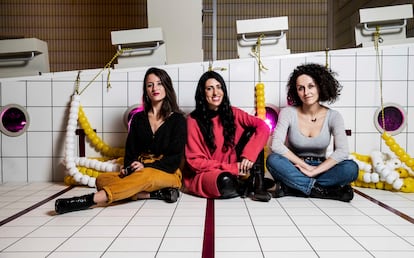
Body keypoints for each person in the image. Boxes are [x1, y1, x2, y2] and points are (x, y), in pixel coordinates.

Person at [55, 67, 186, 214]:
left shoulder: (178, 120)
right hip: (139, 169)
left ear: (167, 87)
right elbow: (131, 150)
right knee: (102, 180)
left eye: (159, 83)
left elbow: (175, 158)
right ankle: (154, 194)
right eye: (150, 85)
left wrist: (146, 167)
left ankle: (90, 200)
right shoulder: (138, 119)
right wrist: (129, 167)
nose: (155, 88)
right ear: (146, 90)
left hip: (167, 172)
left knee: (146, 176)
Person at [266, 63, 358, 202]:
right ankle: (325, 192)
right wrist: (306, 166)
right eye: (300, 88)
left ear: (320, 86)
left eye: (311, 86)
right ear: (295, 91)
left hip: (323, 169)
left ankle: (293, 188)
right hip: (295, 167)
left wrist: (315, 170)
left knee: (351, 168)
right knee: (273, 160)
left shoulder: (334, 116)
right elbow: (276, 145)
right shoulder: (288, 113)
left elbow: (343, 151)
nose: (306, 92)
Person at [183, 70, 272, 202]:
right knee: (225, 182)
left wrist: (250, 155)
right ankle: (246, 186)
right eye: (209, 89)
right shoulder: (192, 120)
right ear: (202, 93)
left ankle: (258, 185)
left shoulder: (233, 112)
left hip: (235, 169)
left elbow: (263, 126)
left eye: (219, 87)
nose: (215, 93)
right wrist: (232, 168)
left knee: (252, 131)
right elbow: (195, 162)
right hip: (207, 173)